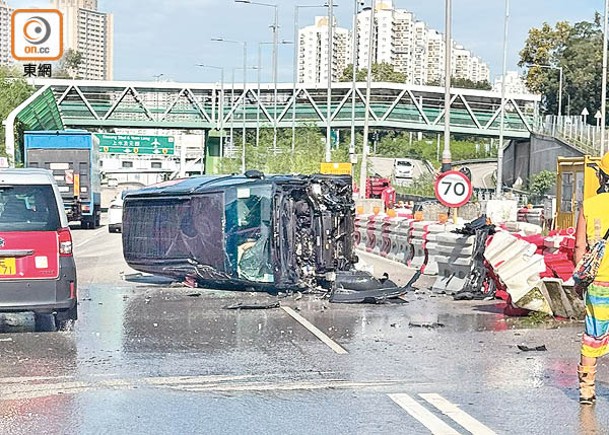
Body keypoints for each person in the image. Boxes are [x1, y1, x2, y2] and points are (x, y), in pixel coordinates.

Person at [573, 151, 609, 405]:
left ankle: (587, 388)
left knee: (593, 335)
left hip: (598, 284)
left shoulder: (589, 205)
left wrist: (580, 281)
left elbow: (579, 248)